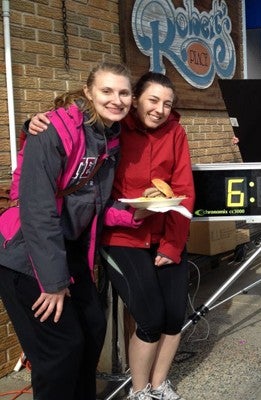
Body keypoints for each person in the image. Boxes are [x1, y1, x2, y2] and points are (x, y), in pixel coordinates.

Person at [29, 72, 195, 400]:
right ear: (136, 99)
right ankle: (139, 390)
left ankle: (160, 384)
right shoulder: (114, 129)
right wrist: (31, 123)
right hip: (121, 237)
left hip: (165, 236)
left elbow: (184, 190)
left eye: (167, 104)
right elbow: (71, 126)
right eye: (153, 100)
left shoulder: (176, 132)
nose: (160, 109)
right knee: (149, 317)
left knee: (175, 316)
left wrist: (173, 244)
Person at [0, 62, 133, 400]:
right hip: (25, 250)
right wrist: (54, 283)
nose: (116, 99)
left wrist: (135, 214)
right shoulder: (54, 129)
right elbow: (37, 209)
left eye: (123, 93)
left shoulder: (109, 136)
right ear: (89, 92)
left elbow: (94, 203)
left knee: (92, 330)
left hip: (67, 248)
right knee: (60, 349)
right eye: (107, 91)